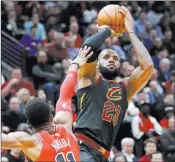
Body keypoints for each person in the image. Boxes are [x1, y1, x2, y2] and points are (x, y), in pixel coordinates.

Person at [74, 6, 154, 162]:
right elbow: (87, 48)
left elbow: (148, 67)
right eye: (106, 57)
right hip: (83, 147)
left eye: (115, 58)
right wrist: (107, 31)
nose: (111, 59)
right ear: (97, 64)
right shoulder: (88, 78)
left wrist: (130, 31)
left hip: (103, 154)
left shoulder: (125, 87)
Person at [2, 46, 93, 162]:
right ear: (51, 117)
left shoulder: (30, 142)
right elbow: (65, 95)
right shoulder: (66, 126)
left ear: (29, 124)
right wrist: (74, 66)